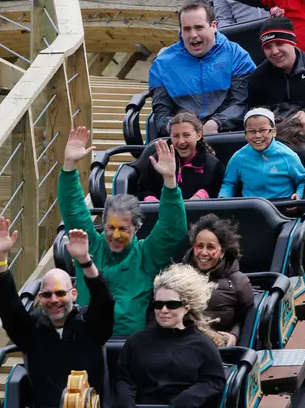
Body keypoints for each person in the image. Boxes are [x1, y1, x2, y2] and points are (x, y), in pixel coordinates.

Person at [0, 217, 115, 408]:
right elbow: (8, 307)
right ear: (39, 299)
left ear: (74, 294)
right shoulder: (32, 330)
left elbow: (104, 302)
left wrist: (85, 260)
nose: (54, 300)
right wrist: (0, 258)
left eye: (60, 293)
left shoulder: (91, 325)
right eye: (47, 295)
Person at [58, 125, 187, 336]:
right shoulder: (90, 246)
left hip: (129, 344)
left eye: (123, 229)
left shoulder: (146, 255)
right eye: (110, 227)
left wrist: (170, 182)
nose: (115, 235)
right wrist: (70, 165)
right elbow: (73, 210)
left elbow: (172, 228)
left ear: (136, 228)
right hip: (86, 340)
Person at [113, 264, 227, 408]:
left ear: (186, 307)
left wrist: (185, 401)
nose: (163, 310)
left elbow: (214, 381)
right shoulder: (137, 341)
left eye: (172, 305)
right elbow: (123, 377)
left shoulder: (202, 346)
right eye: (158, 304)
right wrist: (126, 402)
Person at [148, 0, 256, 136]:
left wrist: (216, 123)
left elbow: (242, 103)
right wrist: (180, 129)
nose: (193, 35)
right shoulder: (162, 64)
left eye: (199, 27)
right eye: (186, 29)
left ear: (214, 26)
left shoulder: (237, 55)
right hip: (182, 138)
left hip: (227, 132)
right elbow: (161, 114)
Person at [247, 16, 305, 133]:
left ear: (292, 42)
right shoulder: (258, 78)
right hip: (274, 140)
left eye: (280, 43)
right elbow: (254, 116)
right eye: (268, 47)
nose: (274, 51)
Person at [183, 215, 254, 347]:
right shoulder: (178, 277)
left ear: (222, 252)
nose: (203, 253)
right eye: (199, 246)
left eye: (210, 247)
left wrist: (234, 335)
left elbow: (246, 318)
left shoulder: (239, 282)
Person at [219, 108, 305, 200]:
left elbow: (303, 180)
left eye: (263, 130)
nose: (257, 136)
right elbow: (229, 183)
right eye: (252, 131)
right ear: (245, 134)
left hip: (283, 208)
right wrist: (223, 198)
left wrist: (299, 195)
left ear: (273, 132)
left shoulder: (287, 155)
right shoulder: (238, 157)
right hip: (252, 208)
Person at [134, 112, 224, 201]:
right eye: (176, 136)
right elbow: (143, 191)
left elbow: (217, 191)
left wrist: (202, 195)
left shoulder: (213, 165)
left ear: (199, 135)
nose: (181, 141)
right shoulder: (157, 159)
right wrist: (152, 201)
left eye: (186, 135)